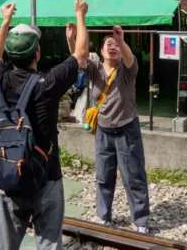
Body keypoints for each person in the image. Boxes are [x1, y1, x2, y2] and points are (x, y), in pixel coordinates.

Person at [0, 0, 88, 250]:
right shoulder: (48, 83)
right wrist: (80, 15)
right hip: (46, 176)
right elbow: (81, 55)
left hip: (8, 174)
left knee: (6, 245)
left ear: (11, 56)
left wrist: (5, 21)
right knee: (48, 242)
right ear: (37, 53)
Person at [68, 25, 150, 233]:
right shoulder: (94, 69)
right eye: (108, 45)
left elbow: (130, 58)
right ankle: (104, 216)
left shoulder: (128, 70)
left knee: (133, 176)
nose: (113, 47)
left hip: (127, 130)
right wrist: (72, 39)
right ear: (102, 52)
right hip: (104, 131)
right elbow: (78, 58)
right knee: (104, 176)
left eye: (116, 45)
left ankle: (140, 221)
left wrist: (121, 40)